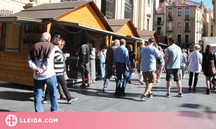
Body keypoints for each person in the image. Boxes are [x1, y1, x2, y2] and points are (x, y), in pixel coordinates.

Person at [28, 32, 59, 112]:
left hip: (37, 76)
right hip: (49, 75)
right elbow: (48, 61)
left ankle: (39, 113)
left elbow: (30, 61)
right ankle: (54, 111)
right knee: (53, 94)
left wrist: (36, 68)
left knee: (38, 96)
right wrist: (41, 69)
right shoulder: (52, 46)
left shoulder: (33, 47)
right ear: (48, 38)